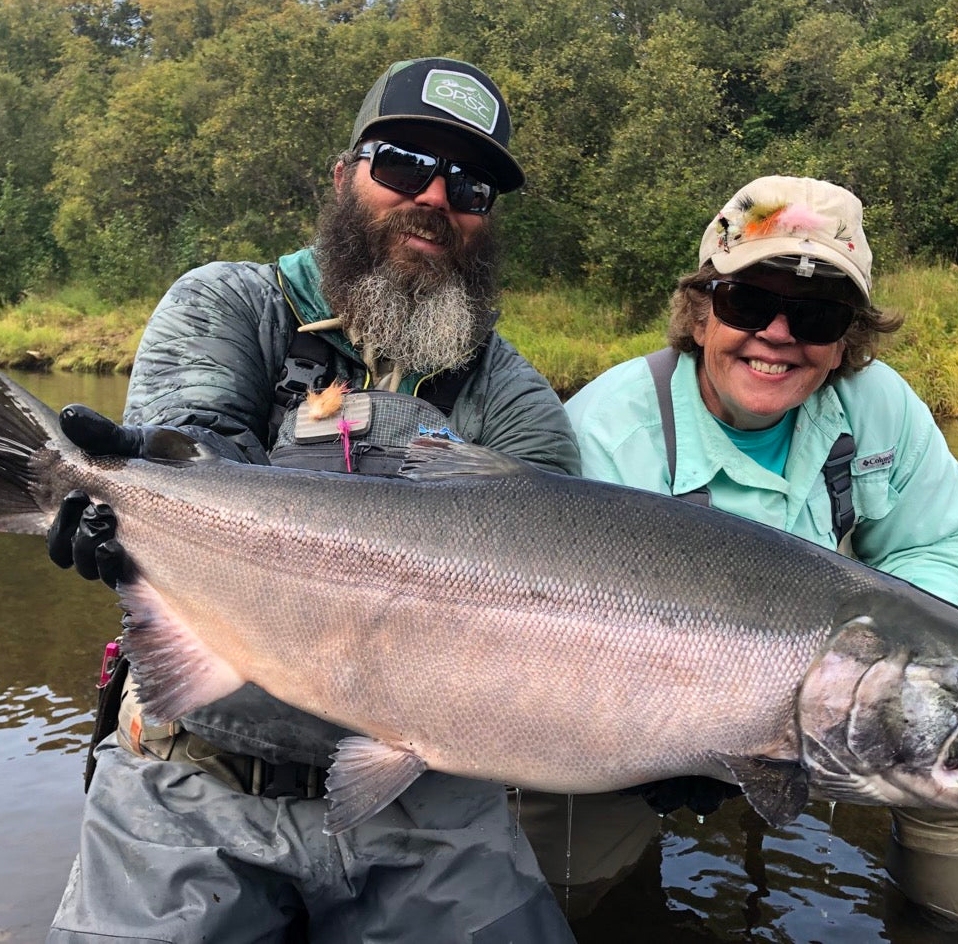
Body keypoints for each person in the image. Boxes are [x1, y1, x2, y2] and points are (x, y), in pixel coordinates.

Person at [44, 57, 581, 943]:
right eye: (405, 165)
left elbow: (554, 586)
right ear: (343, 177)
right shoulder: (231, 304)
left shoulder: (515, 398)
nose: (437, 199)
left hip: (431, 799)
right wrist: (138, 507)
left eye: (471, 186)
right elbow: (199, 450)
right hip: (197, 773)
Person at [564, 175, 958, 926]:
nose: (777, 334)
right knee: (565, 872)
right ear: (702, 312)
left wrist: (878, 656)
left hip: (833, 695)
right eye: (749, 303)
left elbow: (954, 545)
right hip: (633, 705)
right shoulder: (607, 430)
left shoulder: (881, 406)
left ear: (847, 340)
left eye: (814, 314)